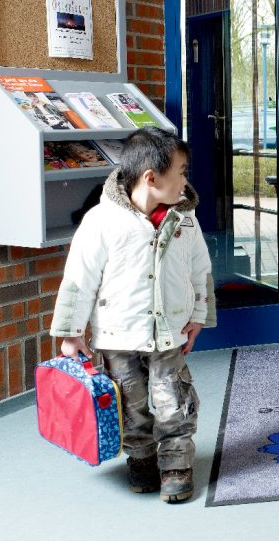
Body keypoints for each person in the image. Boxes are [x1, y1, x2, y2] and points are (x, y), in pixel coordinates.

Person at [49, 127, 215, 504]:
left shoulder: (185, 218)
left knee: (175, 401)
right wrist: (71, 333)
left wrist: (199, 315)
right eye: (181, 172)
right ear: (151, 178)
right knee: (129, 403)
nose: (186, 181)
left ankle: (176, 465)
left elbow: (199, 268)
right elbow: (78, 279)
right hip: (117, 336)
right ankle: (140, 458)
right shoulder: (101, 221)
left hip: (169, 330)